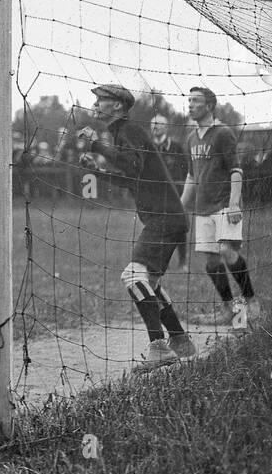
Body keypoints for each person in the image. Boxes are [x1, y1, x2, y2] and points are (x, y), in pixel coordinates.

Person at [78, 84, 195, 373]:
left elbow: (131, 163)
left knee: (132, 276)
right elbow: (133, 176)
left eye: (100, 100)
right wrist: (98, 171)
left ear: (117, 105)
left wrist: (96, 145)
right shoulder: (123, 133)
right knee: (149, 283)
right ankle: (180, 340)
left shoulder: (128, 130)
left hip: (164, 219)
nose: (95, 104)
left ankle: (158, 347)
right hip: (168, 218)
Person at [180, 86, 259, 325]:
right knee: (211, 261)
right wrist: (181, 206)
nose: (191, 105)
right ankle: (229, 309)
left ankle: (252, 303)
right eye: (189, 100)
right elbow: (192, 176)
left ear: (209, 106)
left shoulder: (223, 132)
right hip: (202, 207)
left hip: (224, 204)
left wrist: (235, 203)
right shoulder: (191, 137)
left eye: (196, 101)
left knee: (226, 250)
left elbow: (236, 170)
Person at [150, 113, 189, 267]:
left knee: (179, 227)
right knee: (155, 227)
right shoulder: (148, 147)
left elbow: (186, 170)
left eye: (159, 124)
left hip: (175, 195)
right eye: (153, 124)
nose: (155, 127)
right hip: (154, 195)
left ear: (166, 127)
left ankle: (183, 261)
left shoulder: (176, 147)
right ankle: (156, 261)